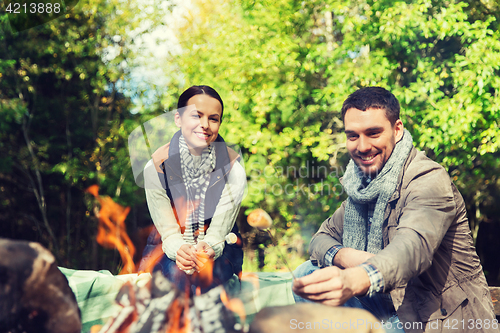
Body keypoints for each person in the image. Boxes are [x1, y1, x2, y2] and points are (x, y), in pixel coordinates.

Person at [292, 87, 496, 332]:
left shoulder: (427, 179)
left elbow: (412, 248)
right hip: (389, 307)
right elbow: (320, 239)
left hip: (437, 315)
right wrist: (348, 256)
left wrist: (359, 277)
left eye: (373, 133)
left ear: (397, 130)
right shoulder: (363, 188)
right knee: (306, 272)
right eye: (353, 136)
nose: (362, 146)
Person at [138, 85, 246, 293]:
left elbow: (218, 233)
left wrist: (209, 248)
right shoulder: (155, 168)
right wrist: (180, 250)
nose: (205, 125)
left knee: (209, 279)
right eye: (196, 116)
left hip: (219, 251)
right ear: (178, 119)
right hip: (167, 249)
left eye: (214, 119)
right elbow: (168, 232)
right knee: (176, 279)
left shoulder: (234, 170)